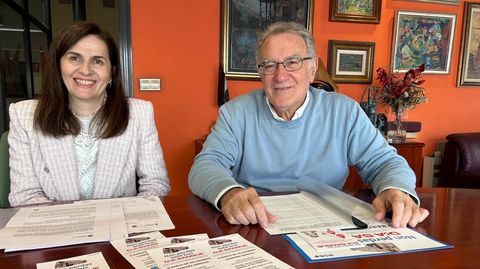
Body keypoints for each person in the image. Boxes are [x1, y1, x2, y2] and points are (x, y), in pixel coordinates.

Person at [189, 21, 428, 229]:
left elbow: (385, 162)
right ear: (260, 73)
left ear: (312, 68)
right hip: (254, 224)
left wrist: (396, 190)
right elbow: (205, 166)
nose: (280, 76)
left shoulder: (344, 111)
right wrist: (229, 193)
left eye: (293, 62)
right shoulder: (235, 113)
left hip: (326, 226)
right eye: (269, 65)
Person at [8, 22, 170, 206]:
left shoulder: (139, 113)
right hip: (56, 230)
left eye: (98, 61)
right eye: (74, 58)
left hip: (119, 226)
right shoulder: (23, 116)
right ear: (58, 66)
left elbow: (155, 184)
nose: (85, 70)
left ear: (111, 73)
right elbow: (25, 197)